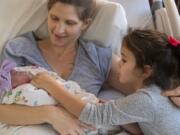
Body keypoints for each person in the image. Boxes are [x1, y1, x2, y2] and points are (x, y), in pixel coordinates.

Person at [0, 0, 179, 134]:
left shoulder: (98, 58)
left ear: (85, 24)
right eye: (54, 18)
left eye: (69, 23)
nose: (58, 29)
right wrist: (50, 114)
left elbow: (148, 83)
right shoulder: (19, 49)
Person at [32, 29, 180, 135]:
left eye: (124, 59)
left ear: (146, 71)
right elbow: (144, 127)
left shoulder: (146, 99)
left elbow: (92, 114)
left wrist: (51, 85)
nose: (119, 63)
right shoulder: (158, 90)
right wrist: (119, 115)